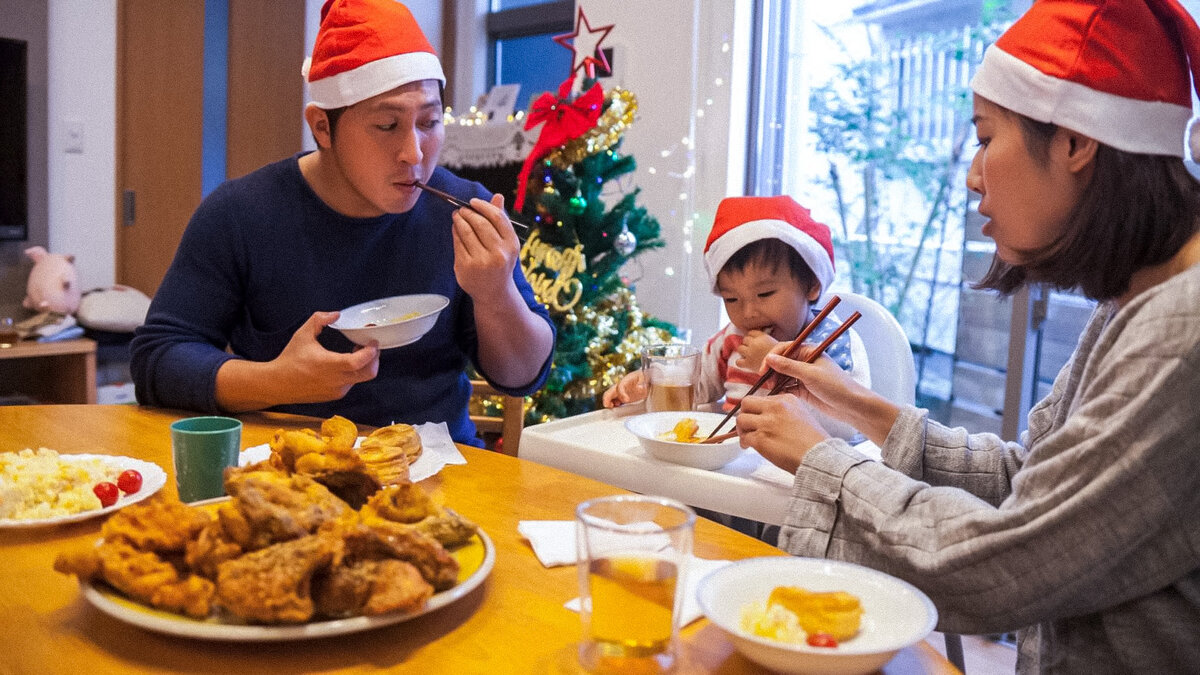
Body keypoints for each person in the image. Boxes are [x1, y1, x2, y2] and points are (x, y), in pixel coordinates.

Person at [735, 0, 1200, 671]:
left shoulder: (1180, 333)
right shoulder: (1139, 299)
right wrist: (856, 404)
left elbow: (1014, 559)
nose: (973, 176)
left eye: (985, 138)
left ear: (1076, 141)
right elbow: (1034, 479)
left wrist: (826, 462)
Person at [130, 0, 555, 446]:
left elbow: (524, 376)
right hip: (290, 475)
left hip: (442, 475)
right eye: (388, 125)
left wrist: (496, 294)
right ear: (322, 128)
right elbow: (158, 359)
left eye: (429, 122)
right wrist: (277, 381)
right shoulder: (239, 213)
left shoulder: (466, 211)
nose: (414, 153)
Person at [603, 195, 869, 441]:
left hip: (804, 467)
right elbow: (698, 386)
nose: (748, 312)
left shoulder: (835, 342)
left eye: (764, 294)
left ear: (811, 285)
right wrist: (651, 382)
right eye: (732, 299)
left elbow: (848, 424)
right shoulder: (732, 339)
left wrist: (774, 370)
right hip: (736, 459)